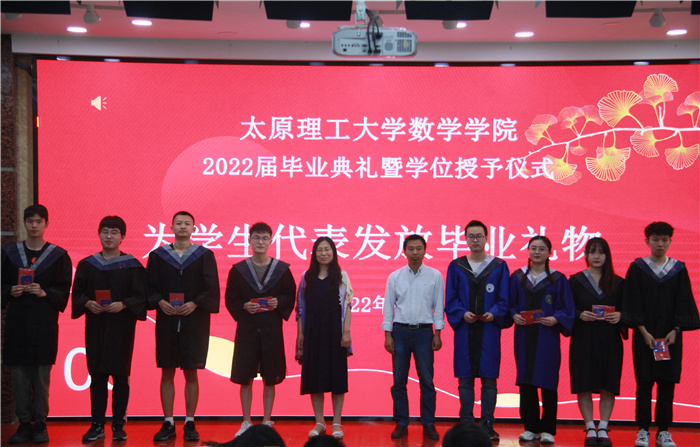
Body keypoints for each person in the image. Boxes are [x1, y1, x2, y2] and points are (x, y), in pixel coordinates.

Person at [621, 222, 700, 447]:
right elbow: (632, 301)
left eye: (664, 239)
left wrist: (676, 330)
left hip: (670, 338)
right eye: (655, 239)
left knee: (667, 383)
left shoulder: (678, 269)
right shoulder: (637, 268)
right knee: (644, 383)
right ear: (647, 241)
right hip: (644, 337)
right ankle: (643, 430)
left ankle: (664, 431)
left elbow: (683, 302)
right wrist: (643, 331)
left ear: (670, 242)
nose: (660, 244)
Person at [72, 216, 148, 442]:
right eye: (105, 231)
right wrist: (88, 303)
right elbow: (77, 294)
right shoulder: (87, 264)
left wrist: (123, 304)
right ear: (98, 234)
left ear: (122, 236)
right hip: (96, 326)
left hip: (121, 327)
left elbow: (141, 296)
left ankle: (118, 425)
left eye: (114, 232)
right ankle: (97, 424)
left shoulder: (133, 266)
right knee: (97, 375)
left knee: (121, 376)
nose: (109, 236)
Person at [146, 211, 220, 442]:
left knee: (191, 371)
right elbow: (149, 286)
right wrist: (160, 302)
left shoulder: (204, 256)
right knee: (167, 370)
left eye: (187, 223)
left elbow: (211, 288)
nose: (183, 227)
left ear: (194, 229)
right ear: (171, 228)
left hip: (194, 321)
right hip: (167, 319)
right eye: (178, 223)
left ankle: (189, 421)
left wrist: (195, 303)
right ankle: (168, 421)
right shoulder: (158, 256)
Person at [1, 204, 72, 445]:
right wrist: (10, 290)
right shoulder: (9, 253)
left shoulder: (58, 256)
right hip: (17, 324)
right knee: (19, 376)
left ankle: (40, 423)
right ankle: (23, 424)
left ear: (46, 224)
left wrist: (45, 292)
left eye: (38, 221)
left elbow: (64, 289)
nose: (34, 225)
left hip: (44, 325)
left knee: (41, 377)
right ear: (24, 223)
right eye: (30, 221)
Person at [225, 222, 296, 437]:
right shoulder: (238, 270)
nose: (260, 242)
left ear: (271, 241)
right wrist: (243, 306)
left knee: (270, 375)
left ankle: (266, 420)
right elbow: (230, 298)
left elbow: (290, 295)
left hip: (271, 330)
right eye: (256, 237)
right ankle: (246, 421)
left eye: (265, 238)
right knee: (245, 376)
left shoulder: (281, 270)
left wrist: (278, 301)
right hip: (247, 329)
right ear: (249, 240)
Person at [444, 220, 510, 441]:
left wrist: (495, 313)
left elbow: (504, 299)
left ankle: (487, 423)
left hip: (489, 330)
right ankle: (466, 423)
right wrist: (462, 313)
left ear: (486, 238)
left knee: (489, 380)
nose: (475, 240)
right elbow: (451, 298)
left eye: (479, 236)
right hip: (465, 330)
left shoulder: (499, 266)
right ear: (465, 239)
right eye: (471, 236)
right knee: (465, 379)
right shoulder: (456, 266)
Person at [509, 235, 574, 445]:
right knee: (526, 381)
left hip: (547, 337)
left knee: (548, 382)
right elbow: (509, 303)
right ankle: (530, 427)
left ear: (549, 253)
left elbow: (566, 308)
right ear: (528, 251)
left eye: (542, 249)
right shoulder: (517, 277)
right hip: (524, 336)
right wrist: (514, 315)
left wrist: (556, 318)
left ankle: (547, 429)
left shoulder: (558, 279)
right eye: (533, 248)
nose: (537, 252)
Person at [382, 234, 444, 441]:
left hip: (425, 332)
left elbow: (439, 307)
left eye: (419, 248)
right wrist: (388, 335)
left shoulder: (435, 275)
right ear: (404, 251)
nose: (415, 252)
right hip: (400, 331)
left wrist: (438, 333)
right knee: (399, 381)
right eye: (411, 249)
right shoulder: (395, 277)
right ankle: (401, 422)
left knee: (427, 380)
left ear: (425, 251)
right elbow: (388, 308)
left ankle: (428, 423)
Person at [568, 237, 625, 447]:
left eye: (601, 252)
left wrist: (620, 315)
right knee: (583, 382)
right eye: (592, 252)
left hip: (610, 338)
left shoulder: (618, 282)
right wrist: (579, 314)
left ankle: (603, 426)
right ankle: (590, 425)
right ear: (585, 255)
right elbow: (567, 308)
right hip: (584, 337)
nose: (596, 256)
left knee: (608, 382)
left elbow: (629, 308)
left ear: (607, 255)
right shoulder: (575, 281)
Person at [296, 237, 353, 440]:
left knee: (337, 377)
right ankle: (319, 422)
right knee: (315, 378)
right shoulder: (306, 277)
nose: (323, 253)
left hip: (335, 333)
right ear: (314, 254)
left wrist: (346, 332)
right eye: (319, 250)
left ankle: (336, 422)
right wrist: (300, 334)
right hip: (312, 333)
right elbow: (300, 307)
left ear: (333, 252)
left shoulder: (342, 276)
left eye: (327, 249)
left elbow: (348, 305)